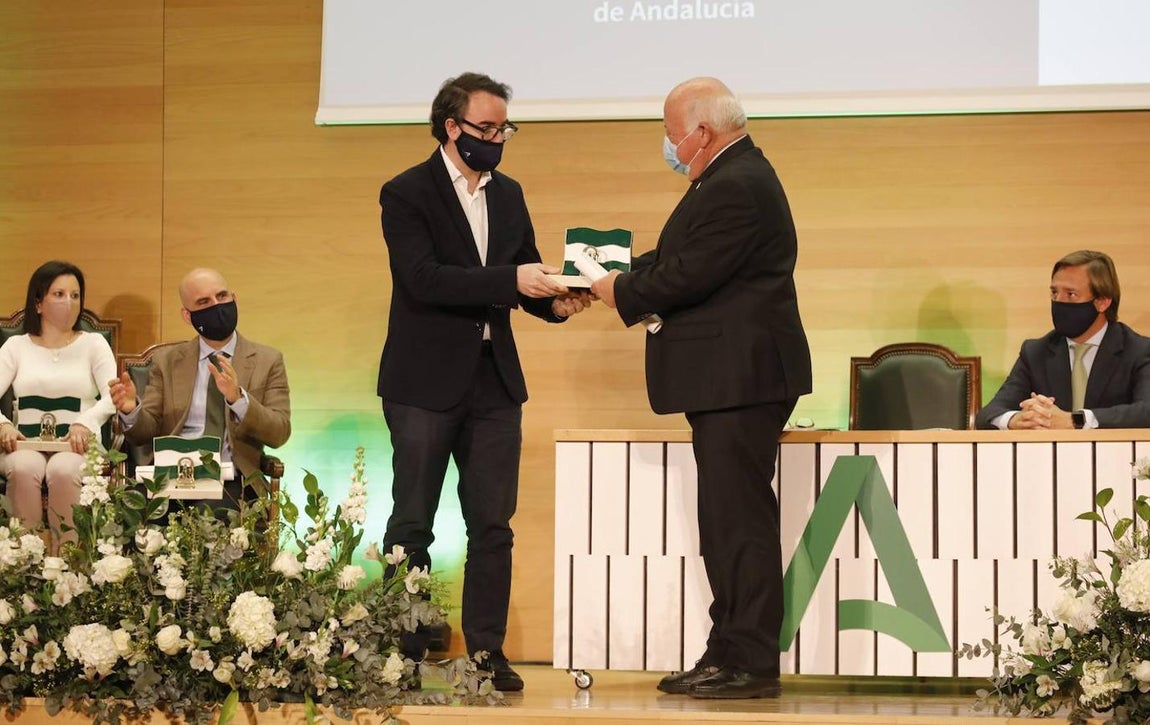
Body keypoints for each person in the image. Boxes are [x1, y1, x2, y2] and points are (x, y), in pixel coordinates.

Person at [590, 78, 812, 699]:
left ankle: (749, 660)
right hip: (729, 378)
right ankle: (728, 649)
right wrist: (611, 275)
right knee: (724, 520)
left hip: (741, 378)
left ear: (702, 132)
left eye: (669, 132)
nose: (667, 143)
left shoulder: (737, 184)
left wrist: (619, 292)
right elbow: (674, 257)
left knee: (737, 523)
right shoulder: (731, 177)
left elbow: (688, 274)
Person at [377, 72, 589, 692]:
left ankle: (487, 653)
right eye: (487, 128)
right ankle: (406, 654)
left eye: (505, 129)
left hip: (494, 382)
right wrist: (514, 281)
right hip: (423, 380)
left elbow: (521, 274)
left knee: (493, 524)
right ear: (451, 127)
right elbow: (426, 279)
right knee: (412, 521)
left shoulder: (510, 193)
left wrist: (557, 302)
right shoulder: (406, 192)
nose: (498, 139)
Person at [109, 268, 291, 502]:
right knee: (130, 514)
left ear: (234, 299)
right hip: (172, 475)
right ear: (188, 316)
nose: (217, 306)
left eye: (222, 296)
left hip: (231, 478)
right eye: (204, 302)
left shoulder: (268, 360)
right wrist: (130, 409)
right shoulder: (167, 361)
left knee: (212, 514)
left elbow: (279, 432)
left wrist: (238, 399)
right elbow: (146, 431)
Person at [0, 260, 117, 545]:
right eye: (59, 294)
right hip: (26, 443)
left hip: (78, 445)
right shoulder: (16, 347)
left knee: (63, 470)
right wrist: (3, 426)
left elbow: (113, 397)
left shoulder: (93, 344)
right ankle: (22, 562)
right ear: (38, 303)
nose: (69, 302)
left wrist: (84, 423)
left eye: (75, 295)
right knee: (24, 468)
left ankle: (69, 567)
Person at [977, 250, 1150, 430]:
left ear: (1102, 302)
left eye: (1070, 294)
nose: (1059, 302)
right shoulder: (1036, 352)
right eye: (1054, 293)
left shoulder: (1139, 351)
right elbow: (987, 415)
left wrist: (1076, 420)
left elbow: (1146, 411)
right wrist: (1018, 420)